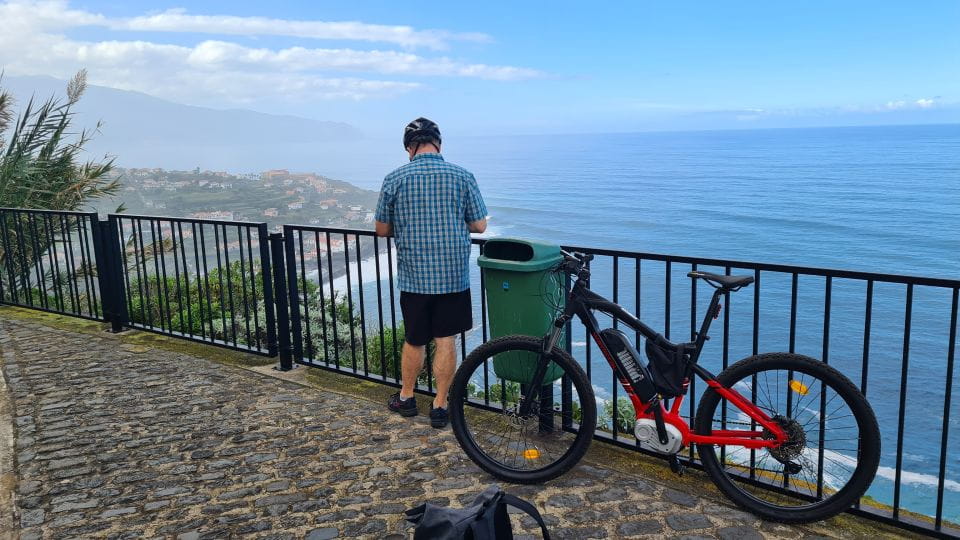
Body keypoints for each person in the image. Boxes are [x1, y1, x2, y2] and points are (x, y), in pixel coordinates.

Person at [374, 117, 488, 428]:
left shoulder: (394, 178)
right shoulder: (462, 176)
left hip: (414, 276)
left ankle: (407, 398)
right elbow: (479, 225)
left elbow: (381, 229)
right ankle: (440, 406)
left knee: (414, 339)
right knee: (445, 339)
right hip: (452, 275)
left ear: (409, 148)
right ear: (438, 144)